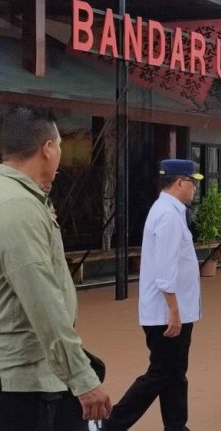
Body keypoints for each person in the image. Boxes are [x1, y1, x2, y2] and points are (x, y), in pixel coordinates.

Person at [0, 106, 111, 430]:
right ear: (48, 148)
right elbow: (43, 301)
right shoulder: (19, 207)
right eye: (60, 144)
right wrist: (82, 378)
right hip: (26, 381)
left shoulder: (16, 198)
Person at [90, 159, 203, 431]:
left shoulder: (169, 211)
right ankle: (109, 424)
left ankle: (176, 427)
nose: (196, 189)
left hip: (171, 311)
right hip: (167, 314)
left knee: (174, 374)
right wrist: (173, 311)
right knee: (161, 373)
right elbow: (166, 269)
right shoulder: (168, 214)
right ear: (179, 182)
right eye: (193, 182)